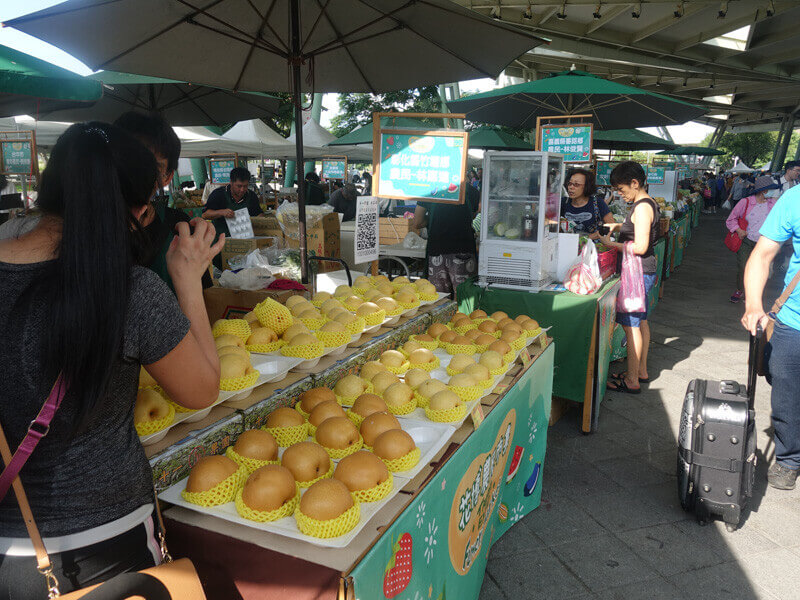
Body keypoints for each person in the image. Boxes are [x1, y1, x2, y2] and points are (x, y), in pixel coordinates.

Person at [0, 122, 223, 598]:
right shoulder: (133, 291)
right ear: (140, 212)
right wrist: (187, 279)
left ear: (48, 186)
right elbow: (201, 390)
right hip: (107, 547)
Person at [742, 184, 800, 490]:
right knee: (786, 392)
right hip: (794, 320)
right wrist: (753, 305)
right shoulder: (794, 198)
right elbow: (761, 256)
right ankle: (789, 457)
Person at [114, 111, 212, 291]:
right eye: (131, 161)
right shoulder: (85, 229)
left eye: (153, 167)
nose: (139, 174)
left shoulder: (180, 228)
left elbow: (204, 296)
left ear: (167, 177)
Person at [599, 161, 660, 394]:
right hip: (643, 270)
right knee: (640, 322)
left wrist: (610, 244)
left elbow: (642, 246)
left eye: (622, 190)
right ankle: (640, 371)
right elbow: (636, 230)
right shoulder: (645, 203)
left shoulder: (643, 207)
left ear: (635, 183)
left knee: (631, 326)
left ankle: (632, 379)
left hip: (638, 271)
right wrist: (618, 225)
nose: (620, 195)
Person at [412, 185, 479, 296]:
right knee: (464, 300)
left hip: (437, 253)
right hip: (464, 251)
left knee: (439, 300)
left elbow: (417, 222)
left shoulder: (429, 190)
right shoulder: (472, 191)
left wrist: (435, 219)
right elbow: (471, 216)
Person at [726, 175, 779, 304]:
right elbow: (731, 219)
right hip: (746, 241)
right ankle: (740, 289)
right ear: (764, 191)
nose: (773, 192)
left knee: (760, 269)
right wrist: (738, 230)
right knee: (744, 267)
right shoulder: (746, 202)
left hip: (763, 243)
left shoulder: (773, 204)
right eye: (771, 189)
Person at [203, 167, 263, 237]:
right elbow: (205, 215)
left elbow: (258, 213)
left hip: (244, 238)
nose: (242, 190)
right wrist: (221, 212)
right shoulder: (218, 194)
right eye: (239, 186)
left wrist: (259, 220)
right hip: (221, 239)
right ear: (231, 182)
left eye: (245, 186)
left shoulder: (251, 196)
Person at [561, 168, 615, 237]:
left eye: (576, 184)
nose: (571, 187)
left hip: (592, 246)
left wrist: (589, 237)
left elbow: (612, 226)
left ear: (587, 186)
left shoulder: (598, 203)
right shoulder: (563, 202)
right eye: (570, 184)